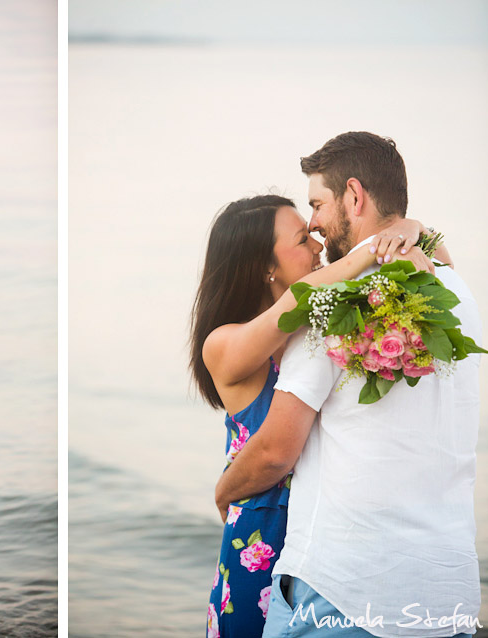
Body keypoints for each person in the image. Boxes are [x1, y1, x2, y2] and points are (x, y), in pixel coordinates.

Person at [215, 132, 482, 638]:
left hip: (343, 595)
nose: (314, 224)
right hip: (447, 595)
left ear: (354, 196)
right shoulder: (456, 290)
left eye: (317, 203)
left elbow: (274, 452)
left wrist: (223, 491)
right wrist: (413, 229)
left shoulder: (333, 306)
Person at [190, 189, 442, 636]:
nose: (318, 244)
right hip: (263, 531)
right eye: (303, 238)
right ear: (264, 266)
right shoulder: (226, 342)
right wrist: (376, 244)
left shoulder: (319, 318)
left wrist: (410, 230)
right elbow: (292, 305)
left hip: (323, 527)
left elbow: (442, 263)